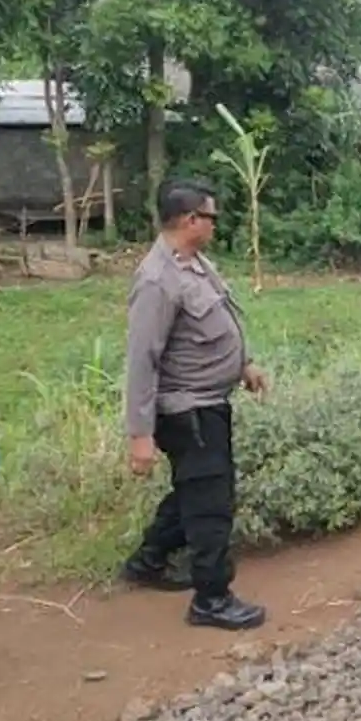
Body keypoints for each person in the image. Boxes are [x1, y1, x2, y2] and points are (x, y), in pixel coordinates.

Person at [121, 179, 269, 631]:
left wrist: (243, 364)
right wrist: (140, 435)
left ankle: (149, 560)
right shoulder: (157, 280)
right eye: (211, 217)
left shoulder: (195, 264)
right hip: (187, 409)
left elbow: (214, 323)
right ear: (190, 221)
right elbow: (142, 359)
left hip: (208, 402)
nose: (214, 225)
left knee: (194, 489)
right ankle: (211, 597)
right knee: (210, 503)